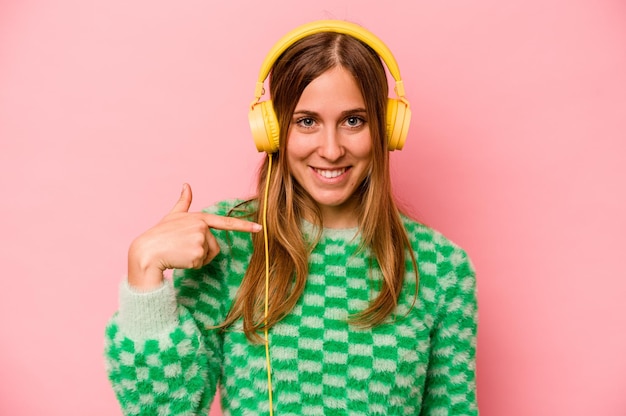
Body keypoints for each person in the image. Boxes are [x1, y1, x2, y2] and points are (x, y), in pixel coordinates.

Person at [105, 20, 478, 415]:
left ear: (386, 128)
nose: (331, 150)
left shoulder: (443, 269)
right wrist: (143, 273)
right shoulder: (228, 246)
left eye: (354, 121)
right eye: (307, 122)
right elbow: (162, 410)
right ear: (273, 130)